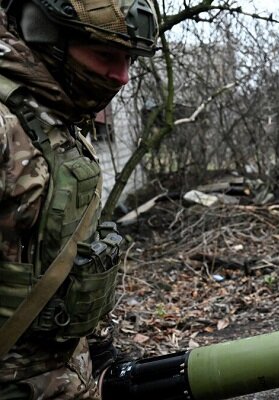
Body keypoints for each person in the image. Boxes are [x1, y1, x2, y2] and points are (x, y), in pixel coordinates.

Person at [0, 0, 158, 398]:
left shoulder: (57, 120)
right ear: (45, 37)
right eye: (106, 55)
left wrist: (102, 353)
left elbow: (75, 254)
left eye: (128, 60)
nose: (121, 77)